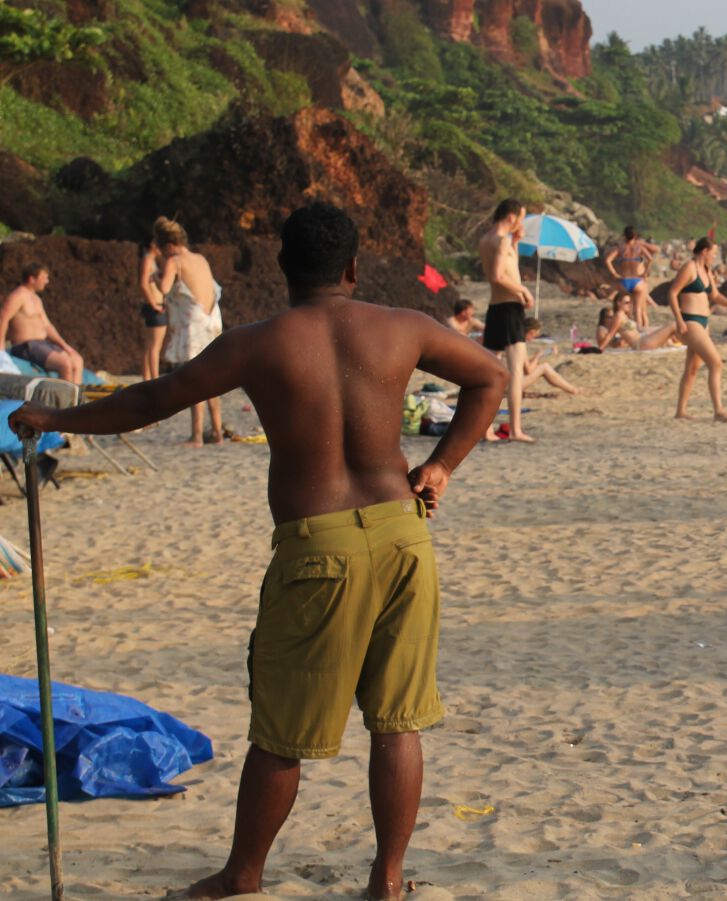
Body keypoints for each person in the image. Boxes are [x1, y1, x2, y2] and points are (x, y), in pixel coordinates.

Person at [10, 203, 507, 900]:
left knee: (281, 730)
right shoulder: (402, 327)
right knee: (398, 721)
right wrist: (441, 464)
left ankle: (244, 874)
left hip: (318, 546)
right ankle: (387, 880)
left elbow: (152, 400)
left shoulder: (259, 342)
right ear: (354, 267)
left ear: (282, 267)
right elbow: (490, 377)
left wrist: (56, 417)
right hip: (402, 534)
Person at [155, 217, 225, 446]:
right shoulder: (200, 258)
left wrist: (154, 277)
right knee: (214, 377)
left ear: (168, 246)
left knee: (196, 378)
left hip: (193, 323)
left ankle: (196, 435)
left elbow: (164, 288)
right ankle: (217, 432)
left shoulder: (175, 261)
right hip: (212, 320)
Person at [669, 236, 727, 422]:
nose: (715, 256)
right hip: (690, 321)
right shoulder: (689, 268)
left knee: (692, 368)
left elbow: (715, 295)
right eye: (713, 252)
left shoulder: (706, 269)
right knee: (716, 363)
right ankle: (718, 410)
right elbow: (672, 292)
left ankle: (680, 411)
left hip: (704, 322)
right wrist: (678, 320)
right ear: (704, 252)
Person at [478, 198, 535, 442]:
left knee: (490, 371)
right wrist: (523, 290)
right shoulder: (501, 241)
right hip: (510, 309)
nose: (521, 223)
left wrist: (517, 242)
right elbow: (498, 275)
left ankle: (486, 429)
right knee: (514, 373)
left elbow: (509, 267)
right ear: (511, 217)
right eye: (520, 218)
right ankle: (514, 429)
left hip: (495, 308)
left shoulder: (486, 240)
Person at [0, 263, 85, 383]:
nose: (47, 281)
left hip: (42, 344)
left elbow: (48, 327)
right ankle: (65, 400)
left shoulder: (36, 299)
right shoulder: (18, 296)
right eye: (44, 277)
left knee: (77, 360)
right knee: (64, 363)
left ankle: (76, 400)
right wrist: (1, 347)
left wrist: (65, 346)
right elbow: (3, 318)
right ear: (32, 278)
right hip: (26, 346)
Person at [604, 227, 658, 328]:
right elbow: (650, 259)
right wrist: (645, 273)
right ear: (635, 236)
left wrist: (614, 274)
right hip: (637, 281)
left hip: (624, 281)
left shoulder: (620, 248)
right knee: (637, 309)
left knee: (622, 309)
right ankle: (638, 332)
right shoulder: (639, 247)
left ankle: (624, 328)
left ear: (624, 236)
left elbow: (608, 260)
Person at [518, 317, 580, 394]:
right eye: (535, 336)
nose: (534, 338)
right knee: (545, 367)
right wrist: (537, 356)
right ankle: (573, 390)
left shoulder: (514, 342)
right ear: (531, 332)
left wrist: (536, 359)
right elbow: (528, 371)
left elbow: (522, 366)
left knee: (541, 366)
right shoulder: (520, 344)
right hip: (514, 385)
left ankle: (572, 389)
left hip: (507, 382)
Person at [595, 296, 679, 351]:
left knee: (669, 335)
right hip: (640, 344)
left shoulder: (624, 316)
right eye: (627, 302)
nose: (629, 305)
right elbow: (610, 335)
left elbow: (641, 328)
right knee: (673, 325)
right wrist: (600, 349)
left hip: (643, 339)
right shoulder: (618, 316)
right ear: (618, 303)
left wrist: (660, 328)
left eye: (630, 302)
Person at [139, 242, 167, 381]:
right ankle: (154, 378)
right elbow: (144, 284)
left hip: (154, 305)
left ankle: (148, 378)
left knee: (150, 346)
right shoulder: (148, 259)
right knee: (155, 346)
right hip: (155, 306)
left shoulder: (151, 260)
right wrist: (154, 304)